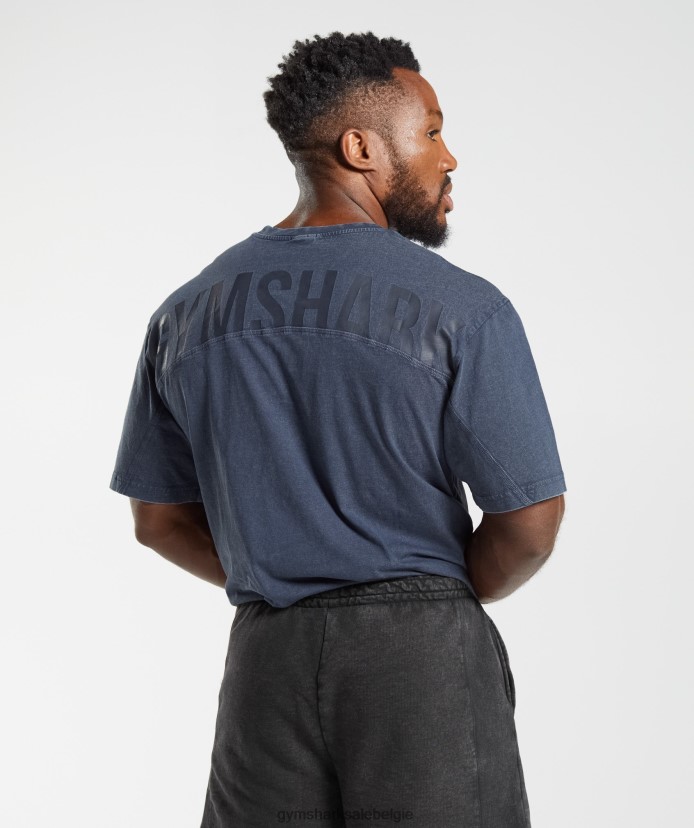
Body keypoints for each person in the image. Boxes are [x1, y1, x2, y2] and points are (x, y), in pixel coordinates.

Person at [109, 31, 567, 828]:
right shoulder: (463, 308)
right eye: (431, 131)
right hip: (420, 663)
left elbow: (158, 521)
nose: (449, 157)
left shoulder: (184, 314)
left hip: (265, 663)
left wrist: (292, 577)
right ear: (361, 148)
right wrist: (428, 593)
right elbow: (530, 523)